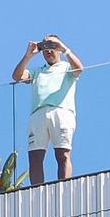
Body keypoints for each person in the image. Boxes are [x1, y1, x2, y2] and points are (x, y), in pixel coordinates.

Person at [11, 34, 83, 185]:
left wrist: (64, 48)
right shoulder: (38, 71)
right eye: (45, 47)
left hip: (61, 111)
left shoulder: (67, 67)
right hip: (38, 114)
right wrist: (28, 56)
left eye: (52, 47)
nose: (48, 51)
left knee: (62, 154)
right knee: (35, 157)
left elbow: (79, 69)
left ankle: (64, 187)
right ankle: (38, 192)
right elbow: (17, 76)